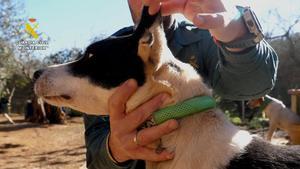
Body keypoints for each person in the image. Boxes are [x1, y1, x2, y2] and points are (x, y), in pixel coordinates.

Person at [83, 0, 278, 168]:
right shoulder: (105, 54)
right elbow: (95, 155)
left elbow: (253, 85)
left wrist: (237, 35)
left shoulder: (205, 36)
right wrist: (116, 149)